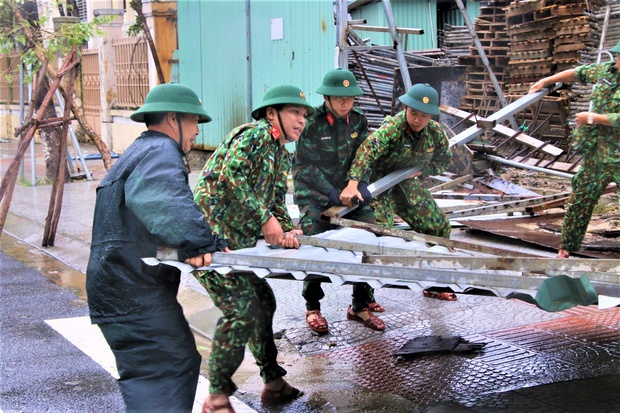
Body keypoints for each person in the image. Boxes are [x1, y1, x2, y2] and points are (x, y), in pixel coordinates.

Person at [85, 82, 229, 413]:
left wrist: (186, 246)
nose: (196, 130)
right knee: (166, 369)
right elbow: (161, 202)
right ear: (172, 118)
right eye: (193, 120)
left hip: (120, 288)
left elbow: (143, 223)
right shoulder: (161, 152)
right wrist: (200, 242)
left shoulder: (137, 151)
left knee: (167, 364)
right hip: (132, 293)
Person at [193, 85, 314, 413]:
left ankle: (273, 383)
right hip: (208, 240)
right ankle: (216, 397)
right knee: (243, 308)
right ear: (272, 113)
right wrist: (265, 220)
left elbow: (275, 199)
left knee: (262, 299)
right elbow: (233, 177)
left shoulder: (280, 153)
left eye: (304, 115)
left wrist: (286, 228)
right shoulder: (256, 135)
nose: (301, 121)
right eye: (294, 113)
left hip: (236, 244)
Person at [293, 68, 386, 334]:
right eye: (339, 98)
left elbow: (364, 157)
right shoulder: (311, 123)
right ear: (327, 98)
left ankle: (359, 304)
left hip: (350, 193)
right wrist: (329, 193)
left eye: (350, 98)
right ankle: (313, 306)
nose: (345, 103)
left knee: (369, 237)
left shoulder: (359, 121)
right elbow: (304, 166)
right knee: (315, 243)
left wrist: (362, 182)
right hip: (316, 194)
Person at [340, 82, 453, 263]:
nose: (417, 120)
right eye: (413, 113)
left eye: (424, 116)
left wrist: (421, 172)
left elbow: (445, 160)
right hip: (379, 183)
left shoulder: (435, 133)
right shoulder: (393, 128)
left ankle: (436, 280)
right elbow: (366, 151)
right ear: (405, 108)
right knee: (381, 232)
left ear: (431, 116)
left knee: (438, 226)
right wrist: (353, 183)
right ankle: (368, 284)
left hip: (404, 182)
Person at [529, 40, 620, 259]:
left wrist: (592, 118)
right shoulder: (605, 71)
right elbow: (577, 73)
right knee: (580, 202)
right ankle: (565, 249)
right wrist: (547, 80)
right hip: (596, 155)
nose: (617, 61)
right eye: (617, 57)